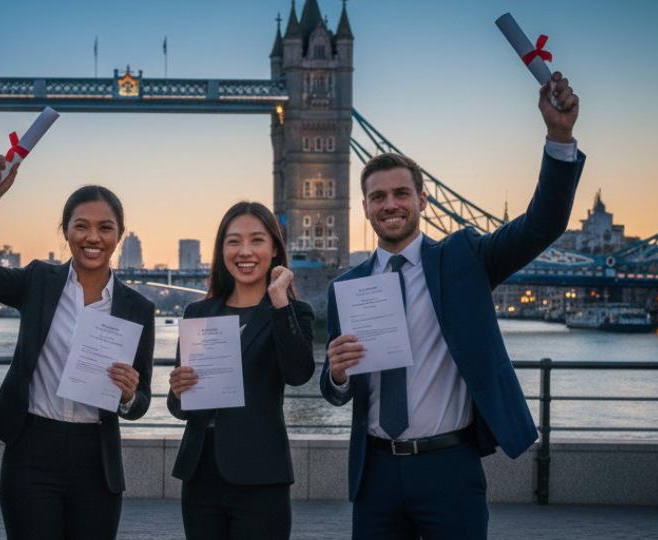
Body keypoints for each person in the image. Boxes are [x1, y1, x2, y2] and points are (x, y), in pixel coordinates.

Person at [321, 72, 584, 539]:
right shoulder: (347, 287)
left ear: (422, 199)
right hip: (376, 472)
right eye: (378, 196)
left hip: (449, 466)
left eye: (402, 193)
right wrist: (337, 373)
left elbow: (542, 225)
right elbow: (336, 385)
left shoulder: (466, 259)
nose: (390, 204)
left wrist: (558, 138)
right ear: (364, 207)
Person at [0, 155, 155, 540]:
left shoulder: (138, 309)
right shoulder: (38, 282)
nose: (92, 237)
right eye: (81, 226)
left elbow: (141, 400)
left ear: (119, 235)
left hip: (97, 458)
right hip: (31, 450)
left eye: (105, 228)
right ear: (65, 231)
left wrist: (129, 396)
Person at [167, 202, 316, 540]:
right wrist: (177, 390)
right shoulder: (197, 312)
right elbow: (179, 409)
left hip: (261, 475)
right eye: (233, 241)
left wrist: (280, 301)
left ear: (274, 248)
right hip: (199, 473)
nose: (244, 251)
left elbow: (298, 373)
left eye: (257, 240)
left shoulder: (293, 312)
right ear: (221, 250)